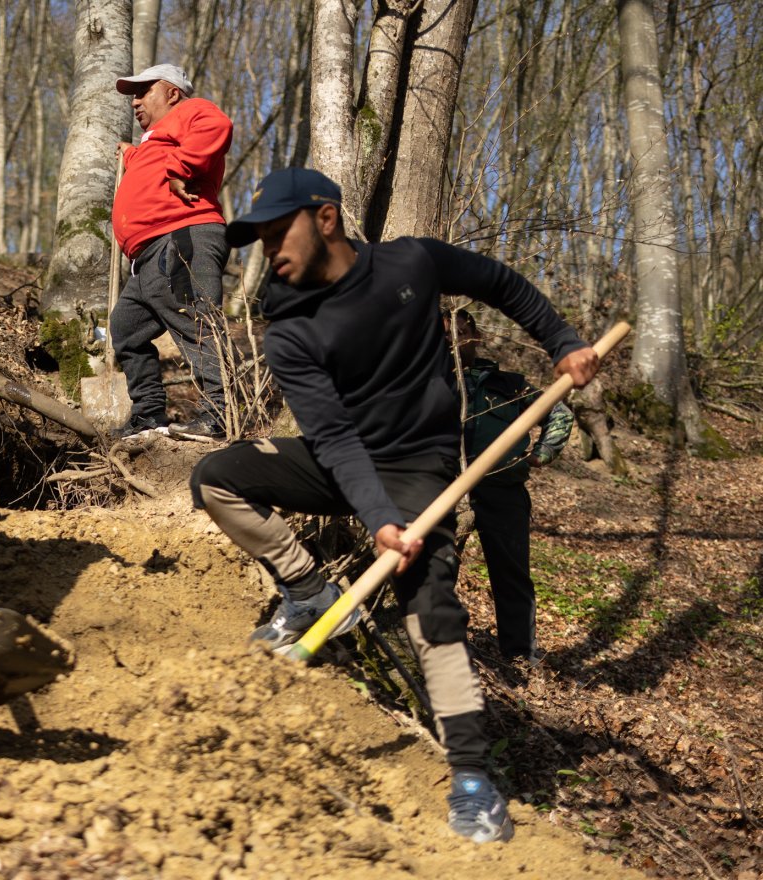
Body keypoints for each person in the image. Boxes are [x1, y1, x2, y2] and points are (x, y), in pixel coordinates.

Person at [189, 167, 600, 844]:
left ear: (326, 219)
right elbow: (334, 437)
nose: (268, 251)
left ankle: (472, 779)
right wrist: (378, 517)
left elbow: (502, 285)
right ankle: (309, 592)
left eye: (276, 231)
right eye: (257, 239)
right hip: (342, 463)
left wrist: (562, 342)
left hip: (421, 470)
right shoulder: (288, 325)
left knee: (431, 602)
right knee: (215, 477)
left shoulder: (414, 262)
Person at [110, 63, 234, 439]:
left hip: (182, 237)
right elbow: (153, 165)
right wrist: (131, 154)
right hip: (148, 254)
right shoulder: (156, 139)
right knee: (126, 327)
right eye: (133, 94)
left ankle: (218, 416)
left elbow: (219, 128)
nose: (135, 102)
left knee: (196, 322)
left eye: (144, 91)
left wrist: (182, 168)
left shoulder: (193, 112)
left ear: (172, 93)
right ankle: (148, 414)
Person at [445, 308, 574, 665]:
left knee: (512, 575)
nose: (454, 339)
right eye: (446, 333)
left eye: (461, 331)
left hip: (503, 492)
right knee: (439, 569)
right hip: (446, 493)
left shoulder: (510, 385)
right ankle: (442, 644)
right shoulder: (432, 381)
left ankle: (520, 654)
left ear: (475, 336)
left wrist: (543, 452)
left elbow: (559, 412)